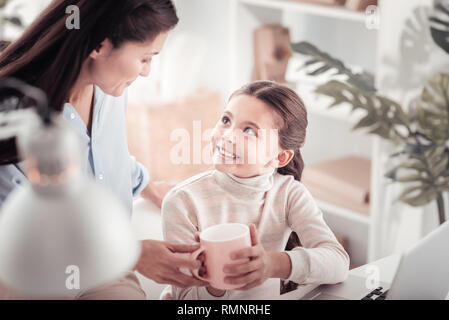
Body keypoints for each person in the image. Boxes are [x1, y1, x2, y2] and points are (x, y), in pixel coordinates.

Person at [0, 0, 207, 299]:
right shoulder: (14, 114)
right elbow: (19, 235)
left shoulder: (109, 89)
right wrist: (132, 253)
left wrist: (148, 186)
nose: (147, 72)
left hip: (106, 269)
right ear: (100, 45)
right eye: (145, 58)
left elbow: (101, 157)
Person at [160, 81, 350, 299]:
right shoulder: (183, 201)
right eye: (226, 120)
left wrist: (273, 264)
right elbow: (184, 298)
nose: (228, 136)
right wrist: (215, 283)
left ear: (280, 157)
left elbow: (338, 262)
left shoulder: (289, 194)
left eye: (249, 130)